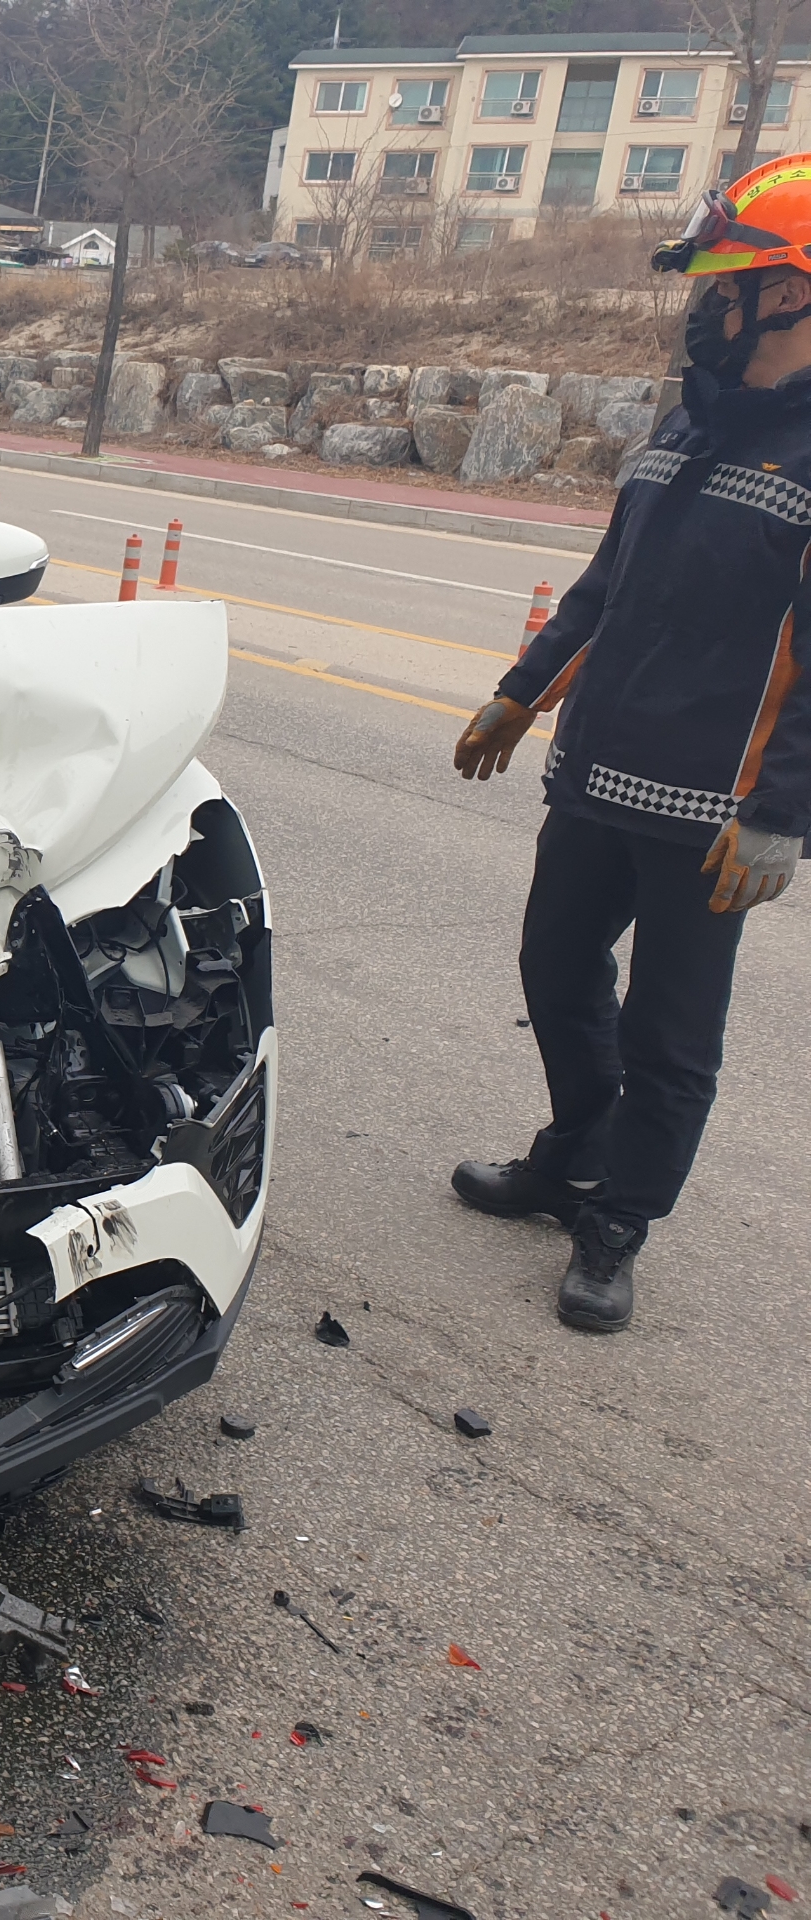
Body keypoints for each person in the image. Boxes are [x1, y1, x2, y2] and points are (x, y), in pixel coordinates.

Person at [449, 151, 811, 1335]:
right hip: (597, 774)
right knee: (555, 970)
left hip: (712, 812)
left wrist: (779, 812)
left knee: (670, 1033)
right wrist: (521, 692)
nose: (702, 306)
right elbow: (608, 585)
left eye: (723, 285)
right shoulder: (684, 426)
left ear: (791, 293)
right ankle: (575, 1152)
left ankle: (618, 1221)